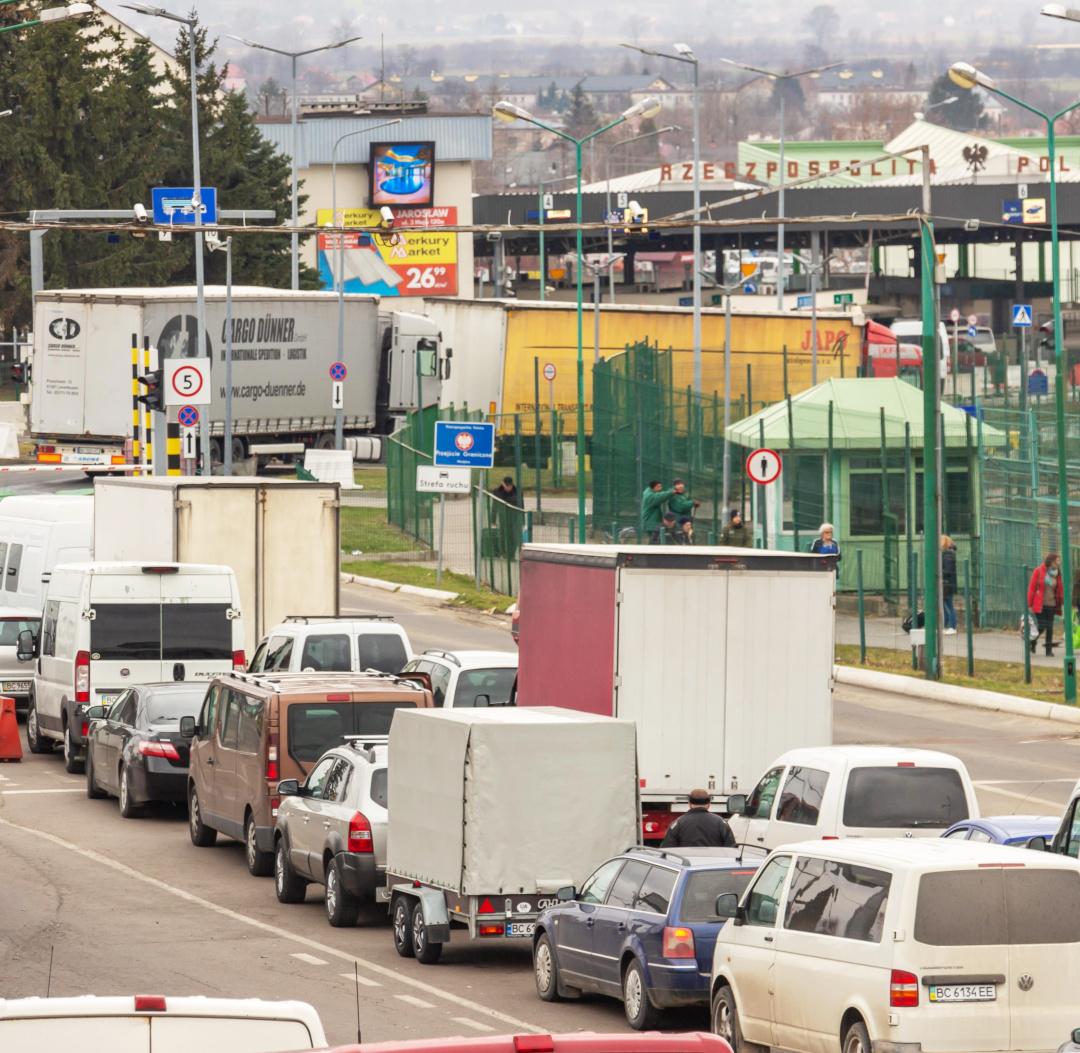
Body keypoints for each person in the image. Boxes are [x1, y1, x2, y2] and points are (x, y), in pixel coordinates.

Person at [661, 789, 737, 848]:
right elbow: (731, 850)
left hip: (687, 866)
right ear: (709, 805)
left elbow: (667, 851)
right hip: (713, 866)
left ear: (689, 804)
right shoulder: (721, 823)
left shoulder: (677, 824)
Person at [1028, 553, 1064, 656]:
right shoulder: (1039, 571)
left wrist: (1062, 601)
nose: (1058, 563)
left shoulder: (1058, 573)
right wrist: (1029, 603)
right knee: (1043, 625)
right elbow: (1032, 587)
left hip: (1051, 604)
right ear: (1051, 562)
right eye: (1057, 561)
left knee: (1050, 627)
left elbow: (1060, 589)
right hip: (1040, 604)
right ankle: (1033, 641)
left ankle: (1048, 650)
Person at [942, 536, 958, 635]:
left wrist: (939, 572)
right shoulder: (945, 555)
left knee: (949, 605)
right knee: (943, 606)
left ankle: (952, 626)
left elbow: (948, 570)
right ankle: (944, 625)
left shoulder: (948, 556)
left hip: (948, 585)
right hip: (945, 584)